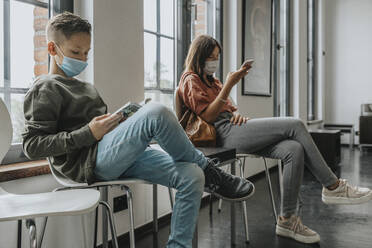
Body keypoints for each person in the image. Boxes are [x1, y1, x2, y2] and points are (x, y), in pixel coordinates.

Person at [21, 13, 254, 248]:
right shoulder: (45, 87)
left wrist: (119, 121)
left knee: (192, 175)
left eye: (86, 53)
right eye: (75, 52)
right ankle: (213, 173)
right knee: (157, 112)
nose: (82, 59)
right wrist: (89, 133)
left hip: (109, 153)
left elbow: (101, 131)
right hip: (87, 163)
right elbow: (32, 146)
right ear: (52, 48)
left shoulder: (85, 87)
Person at [178, 34, 372, 244]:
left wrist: (235, 114)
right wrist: (230, 84)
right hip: (222, 136)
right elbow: (207, 116)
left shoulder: (211, 80)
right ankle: (333, 185)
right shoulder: (190, 80)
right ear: (200, 57)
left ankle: (287, 220)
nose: (214, 62)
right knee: (295, 124)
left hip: (232, 128)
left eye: (217, 57)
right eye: (211, 58)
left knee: (293, 149)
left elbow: (226, 109)